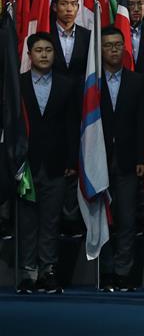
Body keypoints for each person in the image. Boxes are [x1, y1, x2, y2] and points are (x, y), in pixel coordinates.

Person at [16, 33, 80, 295]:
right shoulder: (17, 84)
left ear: (55, 55)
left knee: (51, 221)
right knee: (28, 221)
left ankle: (48, 272)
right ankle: (28, 274)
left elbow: (72, 125)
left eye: (48, 50)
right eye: (38, 50)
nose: (43, 54)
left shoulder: (66, 85)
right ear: (29, 56)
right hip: (25, 165)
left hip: (56, 163)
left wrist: (71, 159)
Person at [98, 26, 144, 292]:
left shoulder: (136, 80)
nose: (114, 49)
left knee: (127, 218)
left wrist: (141, 157)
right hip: (98, 159)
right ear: (101, 49)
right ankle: (105, 272)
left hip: (129, 159)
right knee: (102, 218)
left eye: (118, 45)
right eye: (108, 45)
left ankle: (123, 271)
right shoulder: (91, 82)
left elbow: (142, 123)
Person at [49, 0, 90, 82]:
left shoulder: (88, 36)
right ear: (55, 7)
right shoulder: (46, 34)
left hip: (80, 92)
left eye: (74, 4)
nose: (69, 9)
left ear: (78, 7)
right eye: (64, 4)